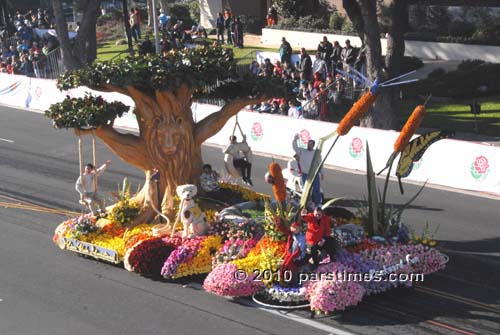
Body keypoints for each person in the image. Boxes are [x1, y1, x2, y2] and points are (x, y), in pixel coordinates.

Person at [292, 134, 323, 207]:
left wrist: (322, 172)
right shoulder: (302, 151)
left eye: (311, 144)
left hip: (314, 174)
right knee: (306, 189)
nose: (309, 145)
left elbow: (320, 163)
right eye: (308, 144)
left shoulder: (316, 153)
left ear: (313, 145)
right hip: (305, 174)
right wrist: (295, 139)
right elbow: (295, 147)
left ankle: (318, 203)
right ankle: (306, 202)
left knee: (316, 189)